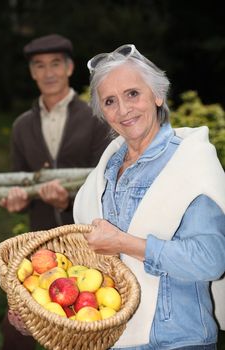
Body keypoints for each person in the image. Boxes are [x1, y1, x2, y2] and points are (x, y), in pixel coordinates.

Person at [72, 44, 225, 349]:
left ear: (157, 95)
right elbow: (92, 261)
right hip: (111, 338)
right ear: (102, 111)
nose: (123, 110)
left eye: (132, 94)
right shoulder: (102, 174)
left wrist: (125, 243)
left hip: (176, 340)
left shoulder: (190, 160)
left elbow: (212, 260)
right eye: (110, 101)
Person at [0, 34, 110, 350]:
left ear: (70, 68)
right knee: (17, 329)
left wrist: (69, 199)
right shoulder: (22, 126)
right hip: (40, 244)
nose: (48, 72)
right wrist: (17, 201)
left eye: (55, 64)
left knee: (82, 328)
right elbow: (22, 186)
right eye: (39, 65)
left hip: (87, 244)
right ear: (32, 72)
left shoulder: (96, 117)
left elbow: (106, 183)